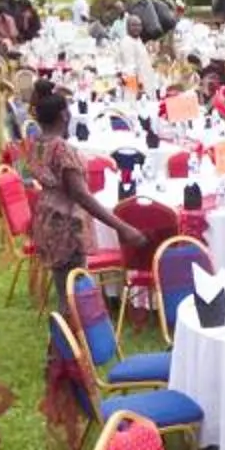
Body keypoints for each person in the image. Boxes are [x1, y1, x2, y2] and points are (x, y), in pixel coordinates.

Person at [28, 79, 135, 310]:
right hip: (67, 227)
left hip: (46, 220)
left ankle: (63, 342)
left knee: (64, 288)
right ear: (64, 116)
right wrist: (121, 227)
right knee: (73, 298)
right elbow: (81, 195)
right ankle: (65, 342)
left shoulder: (36, 144)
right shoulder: (63, 150)